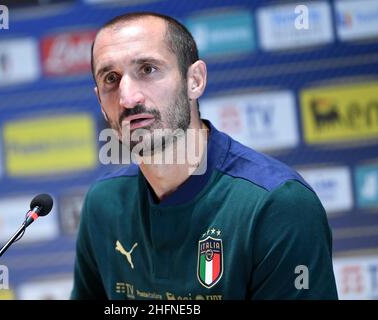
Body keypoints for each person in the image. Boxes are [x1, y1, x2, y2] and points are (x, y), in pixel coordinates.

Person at [70, 12, 338, 300]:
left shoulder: (277, 205)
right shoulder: (103, 203)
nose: (128, 98)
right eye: (111, 78)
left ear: (194, 80)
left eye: (147, 69)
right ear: (100, 101)